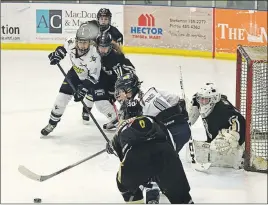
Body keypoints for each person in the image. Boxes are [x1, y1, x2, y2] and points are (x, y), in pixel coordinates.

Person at [114, 73, 191, 203]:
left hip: (175, 131)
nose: (118, 94)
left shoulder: (140, 105)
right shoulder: (145, 95)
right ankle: (164, 187)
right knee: (156, 159)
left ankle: (154, 192)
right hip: (177, 129)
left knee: (154, 158)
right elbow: (176, 100)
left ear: (129, 90)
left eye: (121, 91)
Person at [40, 24, 111, 136]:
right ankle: (52, 123)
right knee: (61, 98)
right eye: (80, 42)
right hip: (75, 73)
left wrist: (83, 89)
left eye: (85, 42)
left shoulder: (95, 55)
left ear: (90, 42)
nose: (82, 46)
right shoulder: (71, 42)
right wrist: (57, 55)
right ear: (76, 41)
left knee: (100, 101)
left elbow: (94, 77)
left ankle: (90, 104)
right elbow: (62, 49)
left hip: (89, 78)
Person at [187, 83, 246, 169]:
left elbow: (239, 120)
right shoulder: (198, 100)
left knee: (220, 145)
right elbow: (197, 98)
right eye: (201, 99)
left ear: (214, 99)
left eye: (205, 100)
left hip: (224, 139)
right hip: (213, 135)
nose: (202, 103)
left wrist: (235, 135)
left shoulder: (223, 109)